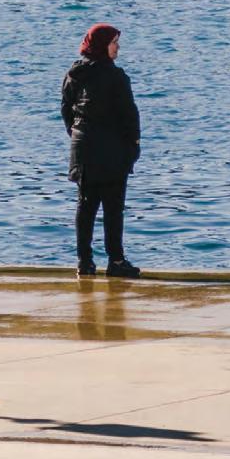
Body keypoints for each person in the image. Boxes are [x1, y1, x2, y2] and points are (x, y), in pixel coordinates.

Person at [60, 21, 141, 278]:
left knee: (86, 206)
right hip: (112, 150)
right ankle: (115, 260)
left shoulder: (74, 73)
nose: (117, 48)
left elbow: (66, 110)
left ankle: (84, 262)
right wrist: (134, 145)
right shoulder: (116, 77)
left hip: (84, 149)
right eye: (114, 43)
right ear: (102, 45)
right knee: (113, 208)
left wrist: (77, 134)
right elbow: (129, 115)